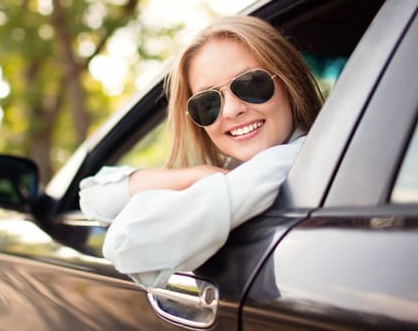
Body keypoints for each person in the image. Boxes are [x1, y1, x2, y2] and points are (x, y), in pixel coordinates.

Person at [79, 15, 324, 289]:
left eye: (252, 84)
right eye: (208, 103)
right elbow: (93, 196)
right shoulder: (235, 170)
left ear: (289, 81)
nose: (232, 110)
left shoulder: (292, 160)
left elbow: (128, 245)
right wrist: (199, 174)